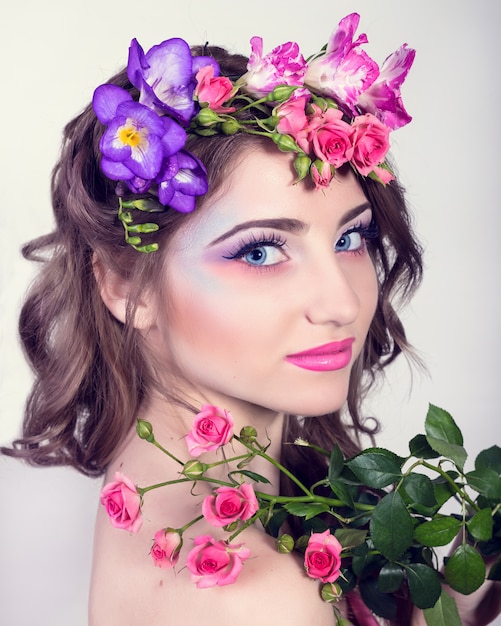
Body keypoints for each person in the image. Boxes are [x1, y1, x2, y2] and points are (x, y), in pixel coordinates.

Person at [2, 13, 499, 626]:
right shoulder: (257, 596)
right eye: (260, 251)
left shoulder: (157, 493)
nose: (342, 304)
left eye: (352, 239)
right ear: (122, 282)